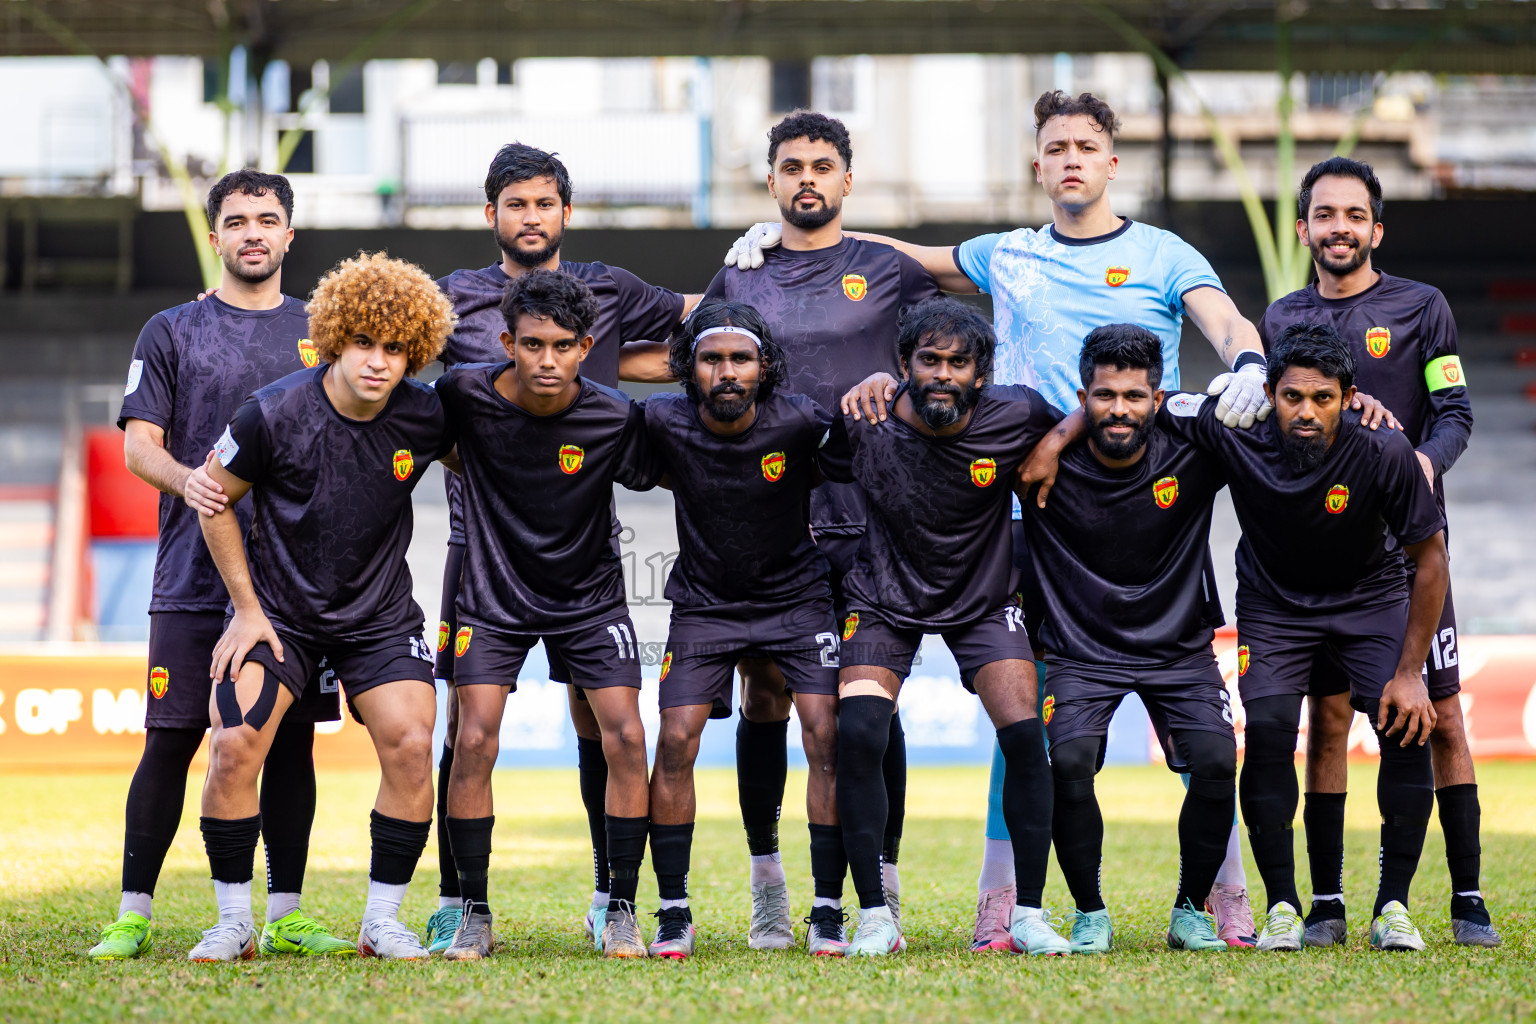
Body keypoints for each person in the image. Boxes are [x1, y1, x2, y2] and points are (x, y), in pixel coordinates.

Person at [726, 90, 1267, 948]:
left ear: (1111, 161)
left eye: (1087, 146)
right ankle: (1005, 899)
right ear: (1038, 164)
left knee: (1192, 726)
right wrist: (785, 242)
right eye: (1056, 148)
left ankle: (1221, 892)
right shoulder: (1007, 254)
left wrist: (1246, 359)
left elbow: (1226, 316)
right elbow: (904, 255)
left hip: (1135, 491)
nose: (1072, 160)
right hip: (1027, 499)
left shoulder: (1164, 251)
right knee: (1032, 710)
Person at [427, 142, 702, 953]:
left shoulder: (610, 297)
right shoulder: (452, 304)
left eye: (544, 203)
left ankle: (611, 896)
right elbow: (373, 345)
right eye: (516, 204)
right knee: (468, 731)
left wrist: (757, 272)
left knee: (609, 728)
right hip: (478, 545)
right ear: (492, 216)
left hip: (582, 552)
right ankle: (461, 903)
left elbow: (700, 318)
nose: (531, 216)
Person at [88, 170, 350, 961]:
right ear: (216, 239)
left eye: (268, 219)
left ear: (290, 235)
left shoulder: (323, 330)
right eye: (237, 221)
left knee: (292, 742)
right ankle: (133, 914)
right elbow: (141, 445)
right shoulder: (170, 331)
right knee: (170, 741)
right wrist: (195, 483)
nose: (253, 233)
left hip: (298, 587)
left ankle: (288, 913)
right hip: (190, 580)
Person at [704, 110, 941, 947]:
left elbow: (950, 351)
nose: (808, 177)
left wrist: (900, 380)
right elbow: (696, 365)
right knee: (767, 694)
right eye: (792, 166)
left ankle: (879, 881)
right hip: (770, 518)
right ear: (770, 182)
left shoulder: (888, 268)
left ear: (849, 179)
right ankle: (771, 881)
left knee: (871, 702)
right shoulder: (741, 276)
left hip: (877, 517)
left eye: (823, 165)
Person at [188, 253, 455, 961]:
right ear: (336, 339)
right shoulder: (273, 410)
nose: (378, 362)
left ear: (415, 353)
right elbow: (212, 500)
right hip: (278, 616)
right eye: (364, 343)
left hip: (380, 620)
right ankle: (234, 921)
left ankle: (382, 920)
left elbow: (488, 459)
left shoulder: (427, 416)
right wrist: (246, 611)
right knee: (234, 742)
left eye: (396, 349)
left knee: (411, 742)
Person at [1261, 157, 1497, 948]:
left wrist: (1421, 466)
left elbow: (1455, 412)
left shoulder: (1421, 308)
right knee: (1327, 723)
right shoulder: (1284, 318)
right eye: (1324, 215)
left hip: (1409, 547)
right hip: (1324, 554)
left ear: (1376, 229)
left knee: (1439, 715)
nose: (1339, 228)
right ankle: (1326, 903)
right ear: (1304, 230)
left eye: (1353, 216)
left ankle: (1467, 898)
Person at [1157, 321, 1449, 952]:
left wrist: (1409, 672)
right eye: (1292, 397)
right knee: (1264, 733)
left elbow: (1431, 558)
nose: (1308, 413)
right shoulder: (1233, 424)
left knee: (1405, 723)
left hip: (1369, 599)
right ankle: (1285, 907)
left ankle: (1394, 906)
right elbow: (1147, 406)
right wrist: (1060, 437)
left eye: (1324, 398)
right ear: (1268, 392)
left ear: (1349, 396)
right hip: (1273, 606)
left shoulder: (1383, 449)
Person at [817, 298, 1073, 957]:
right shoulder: (864, 419)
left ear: (982, 374)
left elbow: (1082, 418)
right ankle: (874, 916)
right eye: (928, 360)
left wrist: (1054, 444)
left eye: (958, 363)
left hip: (984, 599)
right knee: (860, 732)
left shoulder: (1016, 414)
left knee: (1025, 738)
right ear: (902, 365)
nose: (942, 373)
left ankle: (1030, 916)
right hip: (882, 598)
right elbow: (805, 465)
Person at [434, 270, 659, 960]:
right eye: (533, 344)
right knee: (472, 739)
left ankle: (619, 908)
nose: (547, 360)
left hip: (588, 597)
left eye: (564, 346)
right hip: (492, 596)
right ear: (507, 341)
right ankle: (472, 909)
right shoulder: (462, 394)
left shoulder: (614, 417)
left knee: (625, 736)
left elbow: (696, 464)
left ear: (587, 347)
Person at [1020, 324, 1236, 953]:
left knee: (1219, 762)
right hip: (1079, 650)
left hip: (1179, 649)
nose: (1120, 410)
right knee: (1071, 765)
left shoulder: (1194, 450)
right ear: (1083, 396)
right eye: (1105, 395)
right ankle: (1089, 912)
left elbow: (1265, 409)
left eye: (1135, 396)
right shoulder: (1036, 457)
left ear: (1158, 397)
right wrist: (1059, 436)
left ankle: (1191, 910)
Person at [643, 301, 846, 959]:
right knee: (675, 737)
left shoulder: (801, 422)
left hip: (796, 598)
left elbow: (846, 465)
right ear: (689, 367)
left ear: (764, 368)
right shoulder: (660, 422)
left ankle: (824, 908)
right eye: (711, 359)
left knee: (826, 730)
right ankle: (673, 911)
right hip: (705, 603)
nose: (726, 372)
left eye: (740, 359)